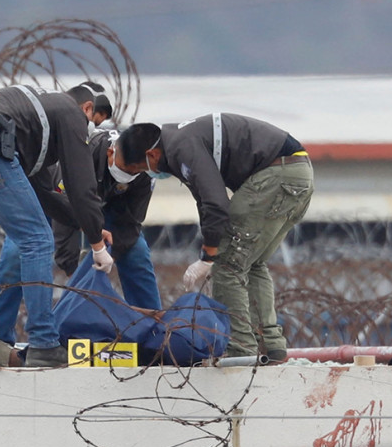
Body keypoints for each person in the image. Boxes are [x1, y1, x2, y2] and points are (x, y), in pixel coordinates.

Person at [0, 83, 114, 369]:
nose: (88, 130)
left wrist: (91, 228)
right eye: (93, 122)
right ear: (87, 108)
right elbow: (80, 184)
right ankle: (43, 343)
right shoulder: (71, 112)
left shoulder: (34, 120)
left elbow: (46, 194)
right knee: (37, 241)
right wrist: (98, 247)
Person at [111, 114, 314, 363]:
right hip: (296, 173)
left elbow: (216, 204)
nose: (146, 174)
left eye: (140, 169)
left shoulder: (182, 148)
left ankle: (240, 350)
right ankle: (271, 345)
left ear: (152, 155)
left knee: (227, 265)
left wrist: (208, 257)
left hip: (276, 176)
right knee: (251, 263)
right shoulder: (179, 143)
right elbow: (205, 201)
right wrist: (208, 249)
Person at [0, 127, 162, 354]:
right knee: (16, 251)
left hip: (104, 207)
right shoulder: (82, 154)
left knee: (137, 251)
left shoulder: (145, 172)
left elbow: (131, 223)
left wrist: (106, 255)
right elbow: (64, 216)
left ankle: (153, 337)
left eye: (136, 170)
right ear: (111, 153)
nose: (131, 173)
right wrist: (74, 272)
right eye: (127, 168)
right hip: (51, 199)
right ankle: (0, 337)